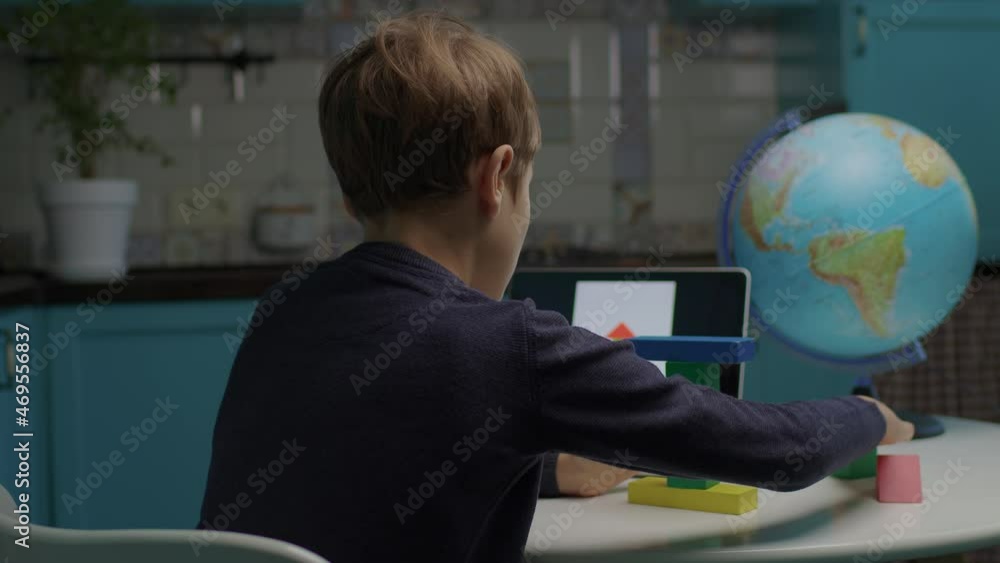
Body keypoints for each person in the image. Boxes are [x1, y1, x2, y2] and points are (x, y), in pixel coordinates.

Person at [198, 11, 914, 563]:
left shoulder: (285, 308)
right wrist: (869, 417)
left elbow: (372, 460)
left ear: (353, 200)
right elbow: (772, 449)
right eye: (529, 185)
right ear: (496, 177)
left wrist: (543, 467)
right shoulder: (510, 346)